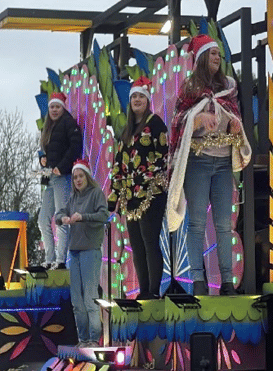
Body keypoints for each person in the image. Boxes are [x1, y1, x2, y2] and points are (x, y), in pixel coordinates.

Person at [167, 34, 252, 296]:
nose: (217, 58)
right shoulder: (190, 87)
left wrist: (236, 125)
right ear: (203, 57)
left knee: (224, 224)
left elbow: (232, 112)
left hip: (224, 162)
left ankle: (228, 282)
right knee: (197, 224)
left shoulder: (228, 86)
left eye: (219, 54)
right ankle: (199, 281)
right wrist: (197, 118)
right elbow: (178, 120)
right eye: (213, 53)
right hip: (199, 162)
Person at [108, 77, 169, 299]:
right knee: (136, 244)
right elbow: (118, 164)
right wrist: (115, 193)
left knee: (149, 239)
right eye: (134, 96)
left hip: (151, 191)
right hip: (131, 196)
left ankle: (154, 290)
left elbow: (163, 155)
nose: (136, 100)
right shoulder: (126, 130)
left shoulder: (155, 123)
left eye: (141, 96)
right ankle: (143, 290)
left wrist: (145, 177)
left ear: (147, 100)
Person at [55, 159, 109, 347]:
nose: (78, 180)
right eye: (75, 177)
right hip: (75, 252)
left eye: (81, 176)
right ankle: (83, 338)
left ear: (87, 176)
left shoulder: (96, 194)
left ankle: (94, 337)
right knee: (77, 301)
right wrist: (63, 218)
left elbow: (103, 216)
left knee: (89, 298)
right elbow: (58, 215)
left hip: (91, 250)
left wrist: (83, 217)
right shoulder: (73, 199)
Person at [38, 92, 82, 269]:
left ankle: (61, 260)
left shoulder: (68, 123)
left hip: (62, 176)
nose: (54, 110)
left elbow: (75, 146)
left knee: (61, 217)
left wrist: (62, 167)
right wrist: (43, 160)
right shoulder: (48, 127)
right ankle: (50, 258)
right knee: (43, 219)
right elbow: (48, 151)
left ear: (62, 107)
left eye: (57, 107)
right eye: (52, 107)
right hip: (50, 177)